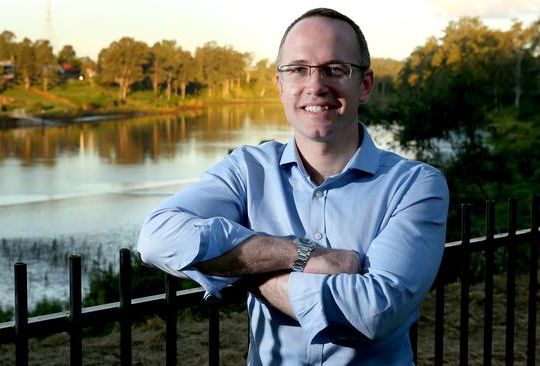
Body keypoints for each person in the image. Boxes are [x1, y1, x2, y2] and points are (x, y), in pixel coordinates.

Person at [138, 7, 449, 365]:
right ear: (280, 85)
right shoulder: (248, 170)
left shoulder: (415, 186)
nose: (315, 86)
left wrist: (247, 271)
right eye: (298, 69)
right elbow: (156, 237)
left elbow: (375, 312)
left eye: (335, 69)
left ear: (364, 85)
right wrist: (299, 254)